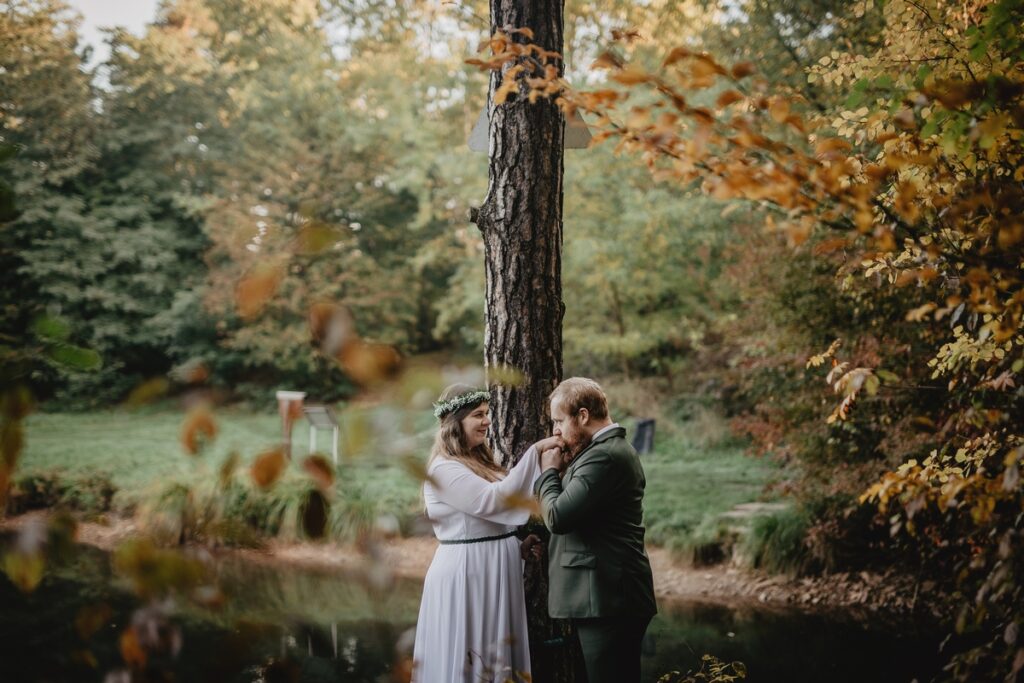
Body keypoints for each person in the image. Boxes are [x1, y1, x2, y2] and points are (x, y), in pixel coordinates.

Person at [412, 384, 562, 683]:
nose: (487, 421)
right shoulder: (444, 469)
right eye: (478, 415)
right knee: (472, 651)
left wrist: (516, 546)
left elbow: (492, 518)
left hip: (492, 568)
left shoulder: (478, 463)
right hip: (468, 574)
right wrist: (535, 452)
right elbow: (492, 501)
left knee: (495, 652)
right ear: (455, 422)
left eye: (487, 413)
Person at [534, 377, 657, 683]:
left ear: (583, 415)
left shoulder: (604, 456)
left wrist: (548, 472)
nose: (555, 431)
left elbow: (558, 517)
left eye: (559, 421)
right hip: (605, 598)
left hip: (608, 600)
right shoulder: (599, 452)